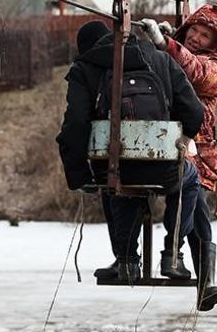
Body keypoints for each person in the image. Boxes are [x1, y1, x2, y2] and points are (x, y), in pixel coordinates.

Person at [57, 21, 205, 282]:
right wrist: (182, 139)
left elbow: (75, 124)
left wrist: (80, 176)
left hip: (114, 168)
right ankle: (172, 254)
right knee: (190, 178)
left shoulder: (85, 68)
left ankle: (126, 262)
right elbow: (194, 110)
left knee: (112, 183)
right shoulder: (158, 59)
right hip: (163, 169)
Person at [138, 5, 217, 311]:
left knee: (198, 207)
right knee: (196, 208)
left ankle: (199, 274)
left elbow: (195, 71)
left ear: (216, 45)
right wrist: (161, 43)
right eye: (194, 30)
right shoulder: (175, 52)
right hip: (168, 140)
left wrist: (168, 44)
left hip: (198, 149)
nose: (197, 38)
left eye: (205, 36)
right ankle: (205, 279)